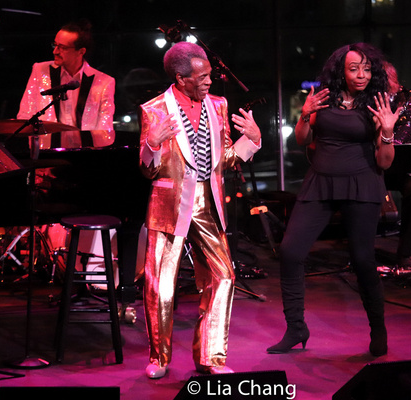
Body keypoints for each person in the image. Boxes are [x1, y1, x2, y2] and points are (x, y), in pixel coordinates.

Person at [267, 43, 399, 357]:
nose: (361, 75)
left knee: (363, 260)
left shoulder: (377, 103)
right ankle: (296, 326)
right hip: (320, 182)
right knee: (290, 250)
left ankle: (378, 328)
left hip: (361, 183)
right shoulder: (325, 98)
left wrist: (388, 131)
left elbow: (384, 162)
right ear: (341, 70)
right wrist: (305, 115)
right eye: (354, 69)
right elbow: (303, 139)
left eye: (367, 69)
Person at [139, 41, 261, 378]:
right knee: (161, 285)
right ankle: (159, 358)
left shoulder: (217, 105)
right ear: (180, 79)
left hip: (207, 202)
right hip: (170, 204)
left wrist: (250, 140)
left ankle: (210, 357)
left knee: (224, 276)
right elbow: (148, 170)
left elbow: (224, 160)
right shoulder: (154, 110)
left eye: (210, 75)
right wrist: (152, 143)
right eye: (202, 77)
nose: (209, 81)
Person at [17, 19, 115, 149]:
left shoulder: (104, 81)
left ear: (81, 52)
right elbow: (25, 115)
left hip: (86, 155)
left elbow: (106, 131)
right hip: (47, 153)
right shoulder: (40, 71)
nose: (55, 51)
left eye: (62, 47)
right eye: (55, 45)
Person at [384, 62, 411, 271]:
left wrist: (390, 146)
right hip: (369, 164)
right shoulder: (366, 98)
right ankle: (360, 252)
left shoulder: (406, 97)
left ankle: (405, 254)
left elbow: (407, 126)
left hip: (394, 160)